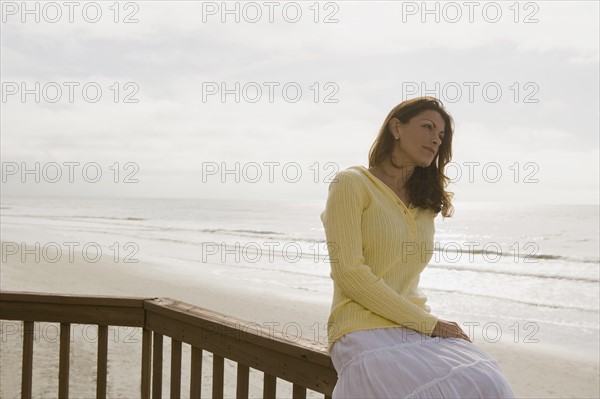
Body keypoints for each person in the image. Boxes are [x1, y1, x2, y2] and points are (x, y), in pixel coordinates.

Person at [320, 96, 516, 398]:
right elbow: (349, 272)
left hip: (413, 328)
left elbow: (405, 280)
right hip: (360, 329)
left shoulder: (425, 204)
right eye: (427, 127)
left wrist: (425, 325)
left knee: (486, 379)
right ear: (396, 128)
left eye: (441, 136)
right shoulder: (351, 183)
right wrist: (430, 324)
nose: (435, 140)